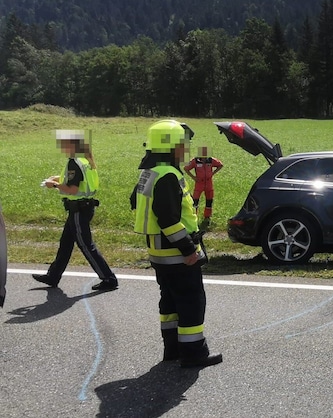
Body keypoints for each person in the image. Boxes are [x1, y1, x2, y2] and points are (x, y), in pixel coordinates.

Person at [131, 120, 222, 368]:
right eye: (183, 144)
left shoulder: (150, 172)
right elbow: (167, 218)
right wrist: (188, 249)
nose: (187, 149)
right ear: (170, 147)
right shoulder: (168, 176)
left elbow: (135, 202)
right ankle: (193, 354)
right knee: (191, 300)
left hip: (158, 252)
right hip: (176, 253)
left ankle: (172, 350)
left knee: (170, 301)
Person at [32, 130, 118, 291]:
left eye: (63, 144)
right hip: (82, 208)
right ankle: (53, 276)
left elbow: (72, 189)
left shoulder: (75, 162)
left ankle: (109, 278)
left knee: (86, 245)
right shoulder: (84, 160)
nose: (61, 148)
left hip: (79, 209)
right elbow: (75, 180)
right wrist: (58, 178)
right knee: (65, 243)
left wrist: (55, 185)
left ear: (72, 145)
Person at [183, 146, 223, 228]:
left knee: (209, 201)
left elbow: (220, 165)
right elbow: (186, 168)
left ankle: (207, 217)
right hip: (199, 184)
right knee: (195, 201)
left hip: (209, 184)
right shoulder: (195, 161)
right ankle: (194, 217)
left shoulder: (211, 160)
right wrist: (193, 177)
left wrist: (213, 173)